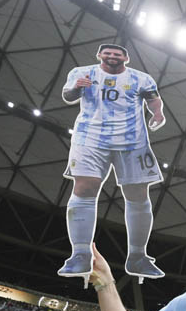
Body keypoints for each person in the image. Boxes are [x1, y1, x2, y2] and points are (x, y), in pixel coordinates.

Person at [59, 43, 166, 286]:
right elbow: (68, 95)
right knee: (84, 188)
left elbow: (154, 99)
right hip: (90, 137)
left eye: (117, 53)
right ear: (99, 55)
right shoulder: (82, 72)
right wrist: (76, 88)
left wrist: (157, 113)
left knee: (138, 193)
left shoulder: (141, 78)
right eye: (107, 53)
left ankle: (138, 257)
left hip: (132, 140)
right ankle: (80, 254)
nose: (112, 56)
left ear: (126, 58)